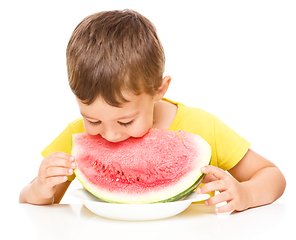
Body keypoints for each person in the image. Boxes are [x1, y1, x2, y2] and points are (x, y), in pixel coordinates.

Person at [19, 9, 286, 213]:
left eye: (126, 121)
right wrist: (40, 189)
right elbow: (32, 201)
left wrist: (245, 194)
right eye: (93, 120)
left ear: (159, 90)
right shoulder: (76, 137)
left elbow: (273, 176)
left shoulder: (202, 127)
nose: (110, 135)